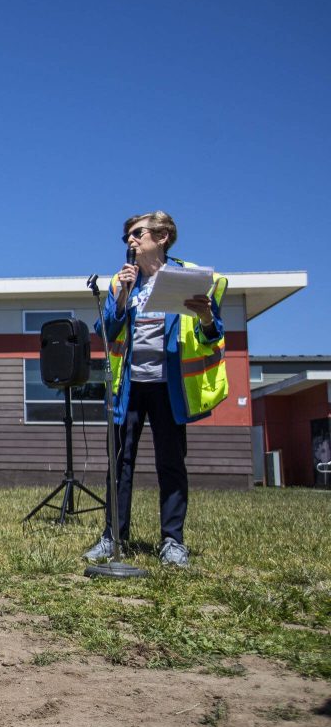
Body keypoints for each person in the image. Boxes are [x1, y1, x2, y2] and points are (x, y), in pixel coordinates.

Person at [83, 211, 227, 568]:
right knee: (119, 464)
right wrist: (122, 297)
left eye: (137, 233)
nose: (130, 240)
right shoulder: (122, 281)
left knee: (171, 463)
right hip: (130, 386)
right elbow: (107, 330)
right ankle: (113, 536)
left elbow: (213, 336)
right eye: (127, 236)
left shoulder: (187, 278)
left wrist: (207, 317)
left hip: (168, 386)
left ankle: (173, 541)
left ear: (162, 236)